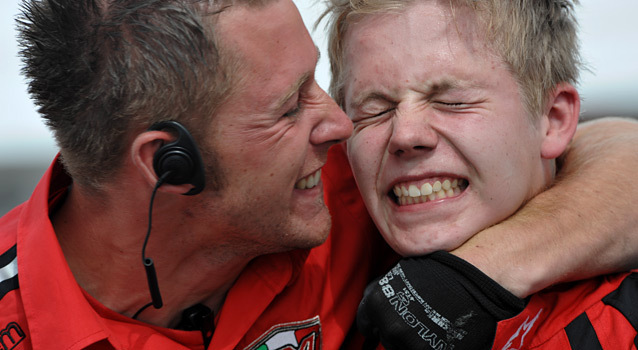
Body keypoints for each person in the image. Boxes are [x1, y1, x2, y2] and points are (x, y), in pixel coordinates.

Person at [0, 0, 637, 349]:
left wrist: (483, 273)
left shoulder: (341, 185)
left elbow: (616, 152)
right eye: (290, 102)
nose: (341, 124)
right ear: (169, 164)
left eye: (320, 82)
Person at [322, 0, 638, 348]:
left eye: (452, 102)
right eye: (375, 111)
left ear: (554, 119)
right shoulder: (315, 239)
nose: (405, 135)